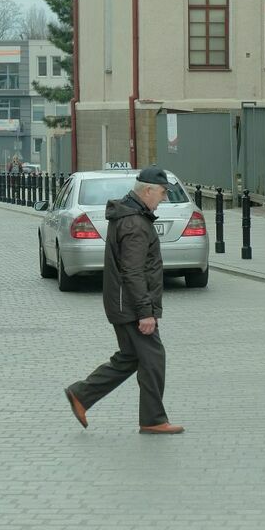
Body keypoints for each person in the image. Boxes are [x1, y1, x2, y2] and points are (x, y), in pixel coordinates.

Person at [64, 166, 184, 435]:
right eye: (163, 193)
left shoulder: (132, 216)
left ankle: (81, 395)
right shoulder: (134, 223)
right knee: (153, 358)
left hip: (123, 302)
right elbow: (132, 271)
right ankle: (153, 419)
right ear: (148, 190)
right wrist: (145, 312)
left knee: (130, 357)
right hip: (130, 306)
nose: (164, 198)